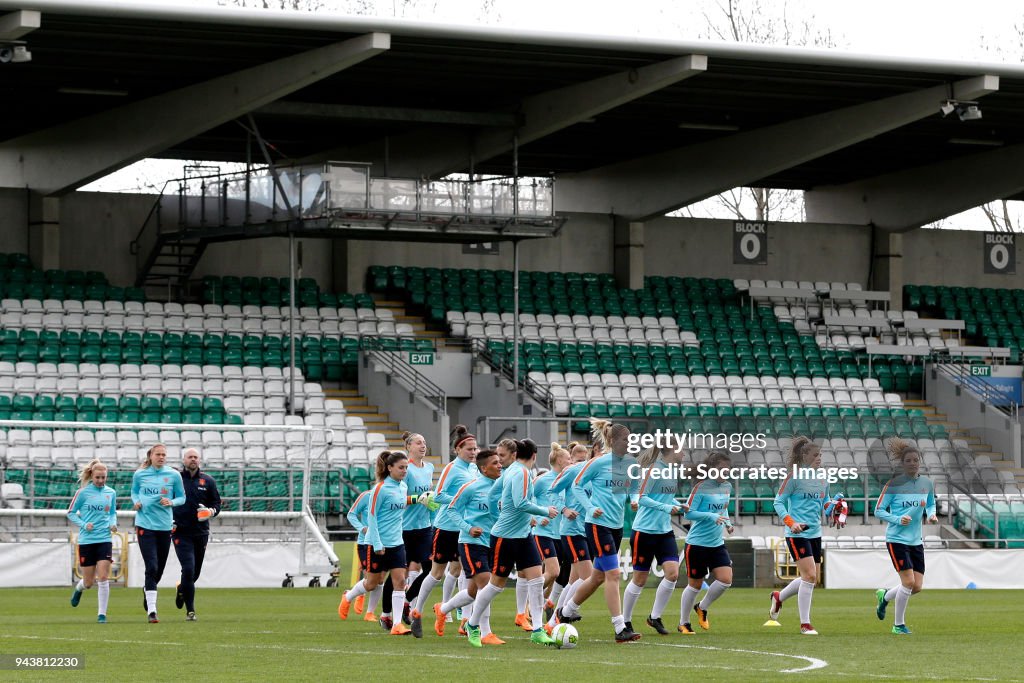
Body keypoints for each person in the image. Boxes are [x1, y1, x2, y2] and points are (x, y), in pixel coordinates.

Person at [463, 438, 558, 647]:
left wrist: (499, 513)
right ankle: (471, 624)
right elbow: (520, 503)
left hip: (524, 536)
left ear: (516, 455)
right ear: (534, 455)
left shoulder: (512, 471)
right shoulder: (521, 472)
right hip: (505, 537)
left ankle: (538, 629)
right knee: (495, 586)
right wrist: (545, 511)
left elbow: (492, 495)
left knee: (537, 580)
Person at [558, 419, 641, 643]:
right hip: (597, 526)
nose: (628, 442)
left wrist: (633, 500)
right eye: (625, 438)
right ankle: (620, 628)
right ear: (613, 441)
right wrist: (589, 507)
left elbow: (634, 488)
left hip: (615, 527)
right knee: (613, 575)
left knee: (596, 578)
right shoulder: (598, 463)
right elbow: (576, 485)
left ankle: (565, 612)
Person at [338, 450, 421, 636]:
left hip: (397, 543)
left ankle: (397, 624)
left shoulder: (402, 488)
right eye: (401, 468)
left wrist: (420, 499)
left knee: (400, 581)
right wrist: (376, 544)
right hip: (377, 544)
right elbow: (372, 517)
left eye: (406, 468)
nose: (404, 471)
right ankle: (348, 596)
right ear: (390, 468)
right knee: (371, 583)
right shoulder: (380, 489)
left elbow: (401, 505)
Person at [411, 426, 478, 630]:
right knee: (436, 573)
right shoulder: (452, 468)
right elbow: (438, 496)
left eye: (475, 449)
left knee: (464, 572)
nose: (473, 453)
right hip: (446, 527)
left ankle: (463, 620)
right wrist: (462, 500)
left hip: (464, 527)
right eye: (469, 449)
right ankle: (417, 610)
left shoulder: (474, 469)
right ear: (458, 449)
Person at [433, 449, 503, 643]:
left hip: (492, 542)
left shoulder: (500, 486)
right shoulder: (470, 487)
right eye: (495, 463)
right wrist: (468, 527)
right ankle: (484, 632)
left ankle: (443, 608)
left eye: (499, 462)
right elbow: (452, 509)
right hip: (471, 543)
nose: (499, 466)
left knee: (473, 592)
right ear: (483, 468)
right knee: (487, 585)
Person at [769, 436, 838, 635]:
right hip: (796, 533)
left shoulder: (823, 479)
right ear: (804, 456)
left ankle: (779, 597)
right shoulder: (794, 477)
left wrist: (834, 508)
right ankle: (805, 624)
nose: (819, 458)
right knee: (809, 576)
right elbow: (778, 502)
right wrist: (791, 522)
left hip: (815, 532)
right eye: (815, 455)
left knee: (812, 578)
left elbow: (824, 504)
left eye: (820, 455)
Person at [873, 438, 937, 635]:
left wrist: (931, 514)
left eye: (915, 460)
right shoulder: (893, 485)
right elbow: (878, 510)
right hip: (896, 540)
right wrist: (897, 519)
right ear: (902, 463)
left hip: (916, 541)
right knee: (908, 582)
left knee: (916, 586)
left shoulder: (926, 483)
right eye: (908, 460)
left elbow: (931, 503)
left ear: (919, 461)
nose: (912, 463)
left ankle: (884, 597)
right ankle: (898, 625)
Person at [623, 444, 688, 636]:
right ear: (671, 451)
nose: (683, 453)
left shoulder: (672, 472)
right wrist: (666, 508)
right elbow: (642, 498)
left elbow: (667, 499)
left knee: (673, 574)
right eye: (681, 449)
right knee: (639, 579)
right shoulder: (653, 470)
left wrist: (679, 505)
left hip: (664, 531)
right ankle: (625, 621)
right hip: (644, 531)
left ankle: (655, 617)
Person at [678, 451, 734, 635]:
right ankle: (683, 623)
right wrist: (711, 516)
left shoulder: (727, 487)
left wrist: (728, 523)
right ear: (711, 469)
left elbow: (723, 510)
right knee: (694, 585)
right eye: (721, 469)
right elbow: (688, 513)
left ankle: (702, 607)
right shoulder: (700, 488)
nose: (724, 473)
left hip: (717, 543)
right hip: (697, 544)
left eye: (727, 469)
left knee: (726, 580)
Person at [132, 443, 186, 623]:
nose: (161, 457)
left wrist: (171, 502)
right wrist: (137, 501)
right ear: (151, 456)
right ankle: (152, 612)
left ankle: (147, 590)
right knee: (152, 566)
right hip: (144, 525)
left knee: (159, 570)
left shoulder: (173, 475)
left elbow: (182, 497)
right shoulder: (140, 474)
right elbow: (134, 492)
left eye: (164, 454)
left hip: (164, 527)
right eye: (158, 454)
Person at [545, 442, 594, 632]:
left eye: (585, 459)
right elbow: (551, 492)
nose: (582, 463)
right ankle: (562, 614)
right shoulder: (572, 472)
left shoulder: (592, 475)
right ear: (571, 460)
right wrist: (564, 509)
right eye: (578, 459)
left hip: (587, 530)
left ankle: (555, 612)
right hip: (572, 530)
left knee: (573, 580)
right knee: (589, 577)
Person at [389, 431, 435, 637]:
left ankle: (407, 601)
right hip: (405, 528)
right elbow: (400, 498)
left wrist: (431, 500)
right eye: (418, 442)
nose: (423, 446)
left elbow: (430, 495)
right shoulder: (405, 469)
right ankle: (387, 613)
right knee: (398, 573)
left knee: (431, 570)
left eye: (424, 442)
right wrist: (419, 498)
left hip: (424, 527)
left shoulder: (430, 468)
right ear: (409, 447)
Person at [172, 447, 221, 622]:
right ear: (183, 459)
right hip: (180, 532)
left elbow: (217, 504)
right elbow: (165, 501)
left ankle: (181, 589)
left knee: (194, 574)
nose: (193, 459)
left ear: (199, 460)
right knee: (188, 568)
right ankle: (190, 611)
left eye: (195, 457)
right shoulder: (175, 479)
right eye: (189, 457)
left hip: (201, 533)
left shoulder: (208, 481)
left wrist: (210, 512)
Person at [68, 459, 117, 623]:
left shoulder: (111, 492)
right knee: (89, 582)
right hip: (87, 540)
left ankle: (102, 614)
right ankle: (79, 589)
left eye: (104, 477)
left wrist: (112, 523)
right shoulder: (82, 493)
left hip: (104, 538)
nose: (101, 481)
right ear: (92, 476)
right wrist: (84, 524)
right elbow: (71, 513)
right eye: (98, 477)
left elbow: (112, 513)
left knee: (103, 577)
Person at [533, 443, 570, 626]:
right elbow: (526, 499)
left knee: (554, 574)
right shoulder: (543, 479)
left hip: (560, 533)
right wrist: (538, 518)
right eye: (568, 458)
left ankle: (538, 605)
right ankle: (531, 603)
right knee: (553, 571)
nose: (570, 461)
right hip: (542, 532)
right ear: (559, 460)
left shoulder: (566, 480)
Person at [343, 487, 383, 623]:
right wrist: (362, 528)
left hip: (385, 542)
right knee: (370, 579)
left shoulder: (394, 495)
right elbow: (351, 514)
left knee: (380, 579)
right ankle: (350, 596)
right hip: (365, 542)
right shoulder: (367, 496)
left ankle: (369, 612)